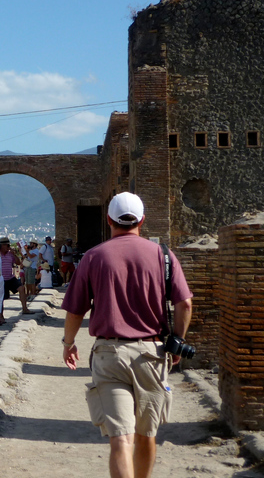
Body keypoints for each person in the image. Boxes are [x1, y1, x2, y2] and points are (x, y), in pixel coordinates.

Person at [62, 192, 193, 478]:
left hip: (109, 354)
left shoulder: (93, 257)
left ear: (109, 220)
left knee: (120, 438)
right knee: (147, 435)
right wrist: (177, 341)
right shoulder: (164, 256)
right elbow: (184, 304)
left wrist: (68, 343)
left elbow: (75, 311)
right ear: (142, 220)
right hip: (152, 353)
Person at [0, 237, 29, 314]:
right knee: (1, 297)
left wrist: (14, 254)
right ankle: (1, 315)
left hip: (10, 277)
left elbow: (18, 263)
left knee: (21, 288)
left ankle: (25, 308)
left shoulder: (10, 254)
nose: (9, 247)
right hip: (1, 279)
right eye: (7, 246)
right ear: (2, 246)